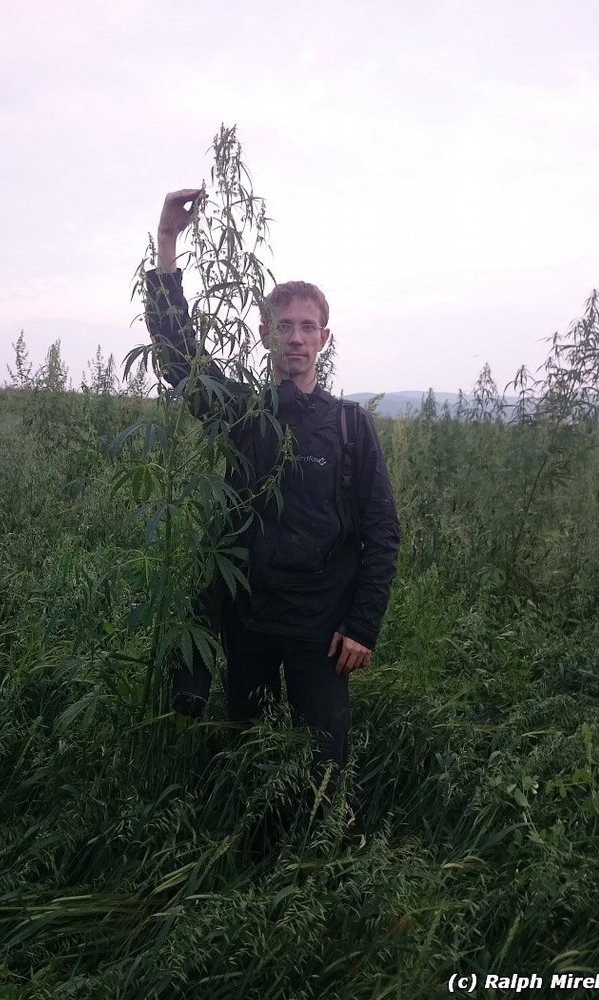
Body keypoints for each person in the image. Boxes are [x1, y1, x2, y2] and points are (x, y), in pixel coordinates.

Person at [144, 187, 400, 783]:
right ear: (264, 335)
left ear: (323, 339)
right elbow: (181, 362)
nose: (296, 337)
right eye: (284, 326)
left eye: (308, 327)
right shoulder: (241, 412)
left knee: (322, 767)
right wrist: (167, 243)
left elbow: (383, 533)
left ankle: (320, 836)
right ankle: (249, 834)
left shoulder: (350, 425)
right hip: (250, 621)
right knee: (248, 756)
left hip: (323, 629)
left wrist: (362, 626)